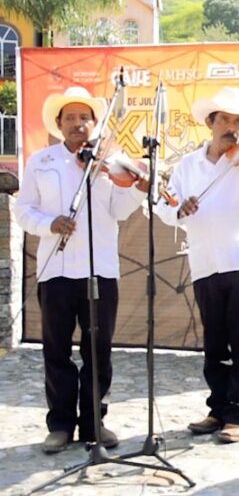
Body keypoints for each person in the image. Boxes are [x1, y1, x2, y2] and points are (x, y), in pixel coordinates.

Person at [15, 86, 148, 453]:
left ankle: (94, 423)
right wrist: (49, 224)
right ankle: (59, 425)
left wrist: (140, 188)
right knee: (56, 350)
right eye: (70, 118)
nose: (78, 124)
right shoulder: (41, 162)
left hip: (100, 270)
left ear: (94, 123)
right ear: (59, 124)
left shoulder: (109, 162)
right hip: (55, 271)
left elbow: (121, 209)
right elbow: (23, 210)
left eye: (84, 118)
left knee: (98, 350)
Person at [155, 86, 239, 444]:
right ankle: (218, 408)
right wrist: (180, 210)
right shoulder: (187, 165)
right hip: (205, 263)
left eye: (238, 121)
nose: (232, 128)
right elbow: (166, 207)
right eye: (225, 120)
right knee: (214, 344)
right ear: (210, 122)